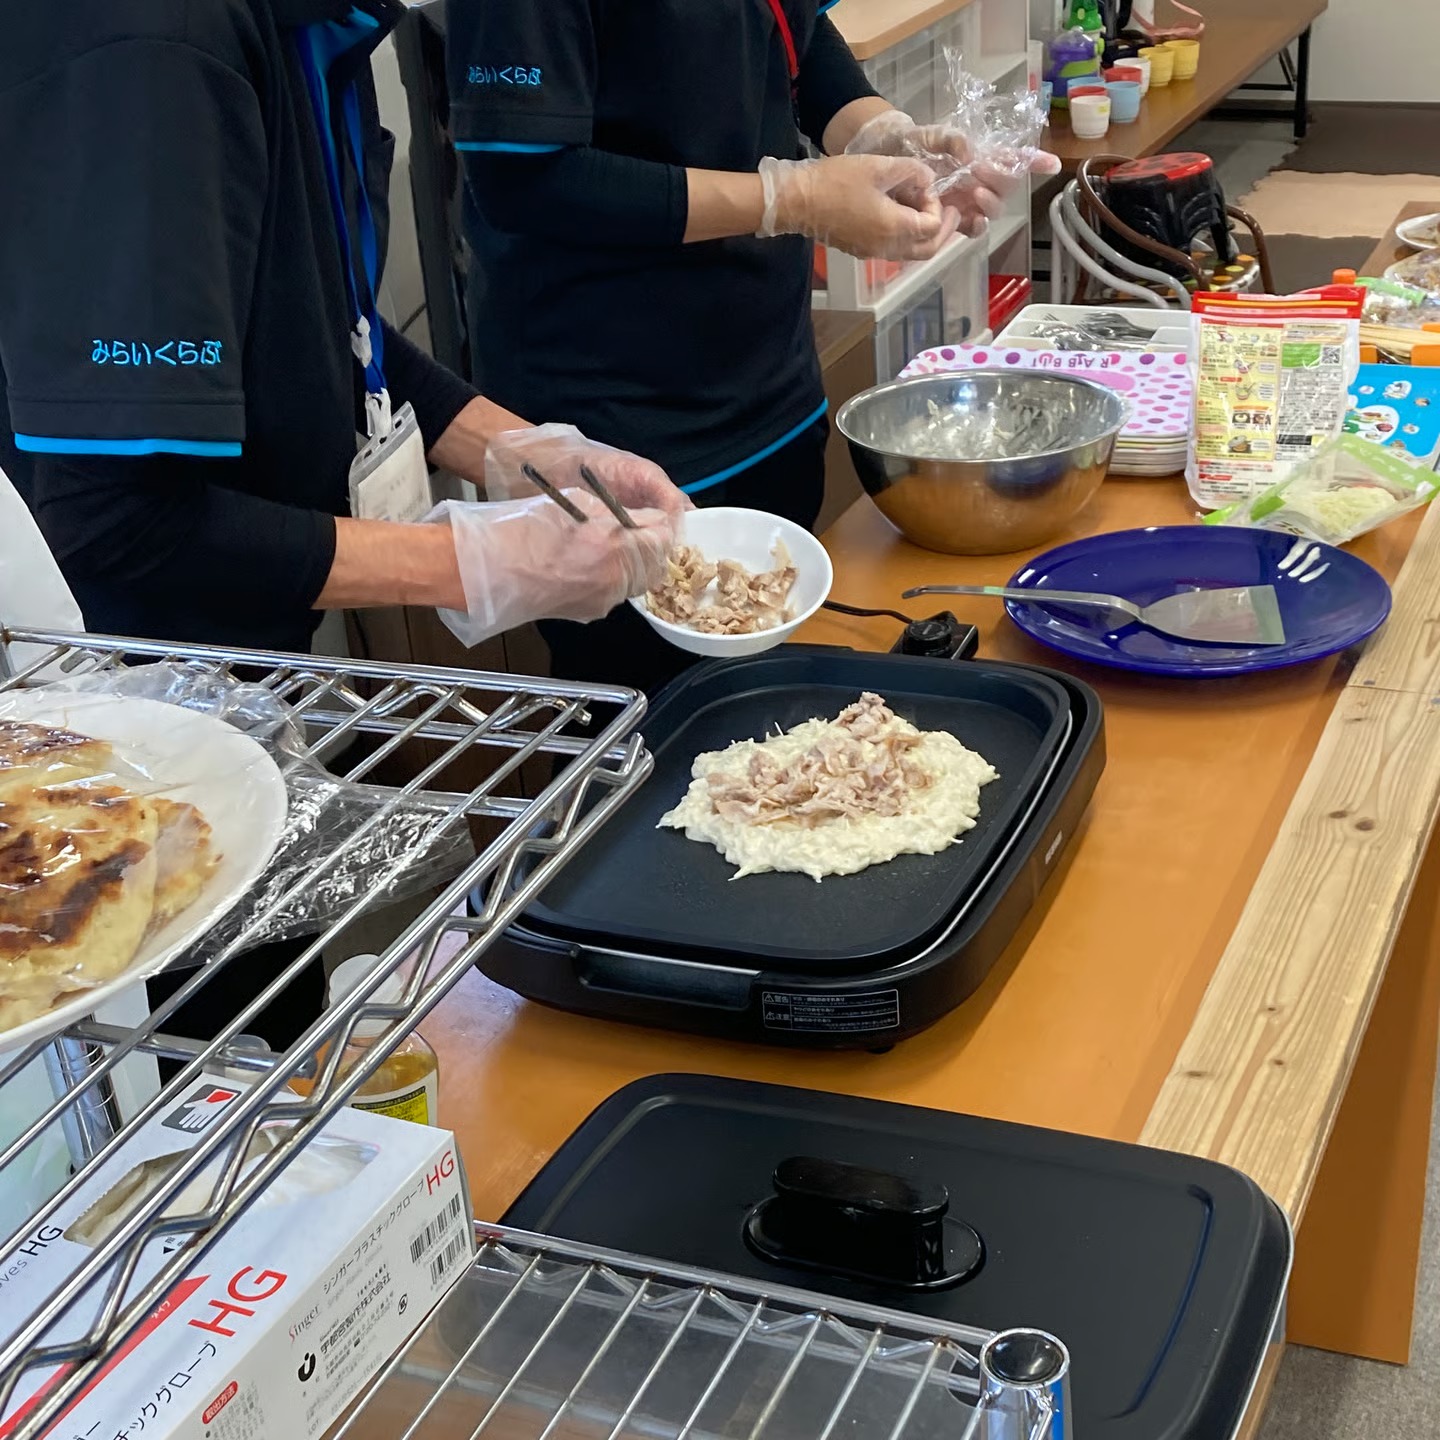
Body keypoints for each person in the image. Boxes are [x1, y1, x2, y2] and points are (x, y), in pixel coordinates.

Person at [0, 0, 685, 1048]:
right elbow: (113, 518)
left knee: (277, 1014)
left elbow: (333, 327)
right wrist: (467, 561)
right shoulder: (150, 56)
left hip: (247, 681)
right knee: (211, 1064)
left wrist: (522, 449)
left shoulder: (323, 25)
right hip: (112, 747)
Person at [446, 0, 1058, 692]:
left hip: (770, 385)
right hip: (615, 418)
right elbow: (525, 180)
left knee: (778, 691)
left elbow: (792, 28)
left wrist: (878, 131)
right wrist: (788, 199)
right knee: (654, 711)